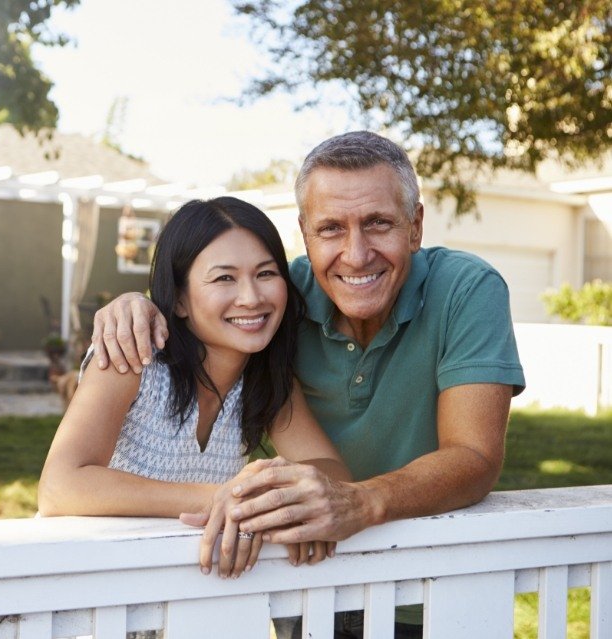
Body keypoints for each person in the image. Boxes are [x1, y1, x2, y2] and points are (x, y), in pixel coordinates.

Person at [90, 132, 526, 635]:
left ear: (416, 226)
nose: (357, 254)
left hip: (433, 590)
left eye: (379, 223)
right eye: (332, 228)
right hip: (312, 580)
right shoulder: (278, 298)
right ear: (305, 233)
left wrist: (359, 502)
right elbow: (206, 295)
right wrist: (136, 304)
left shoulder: (466, 289)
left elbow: (474, 457)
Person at [38, 196, 350, 580]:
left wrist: (266, 490)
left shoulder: (266, 380)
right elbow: (60, 486)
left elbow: (335, 474)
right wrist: (229, 498)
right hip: (91, 583)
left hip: (189, 594)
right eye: (224, 278)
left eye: (266, 273)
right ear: (180, 299)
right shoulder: (134, 357)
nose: (251, 298)